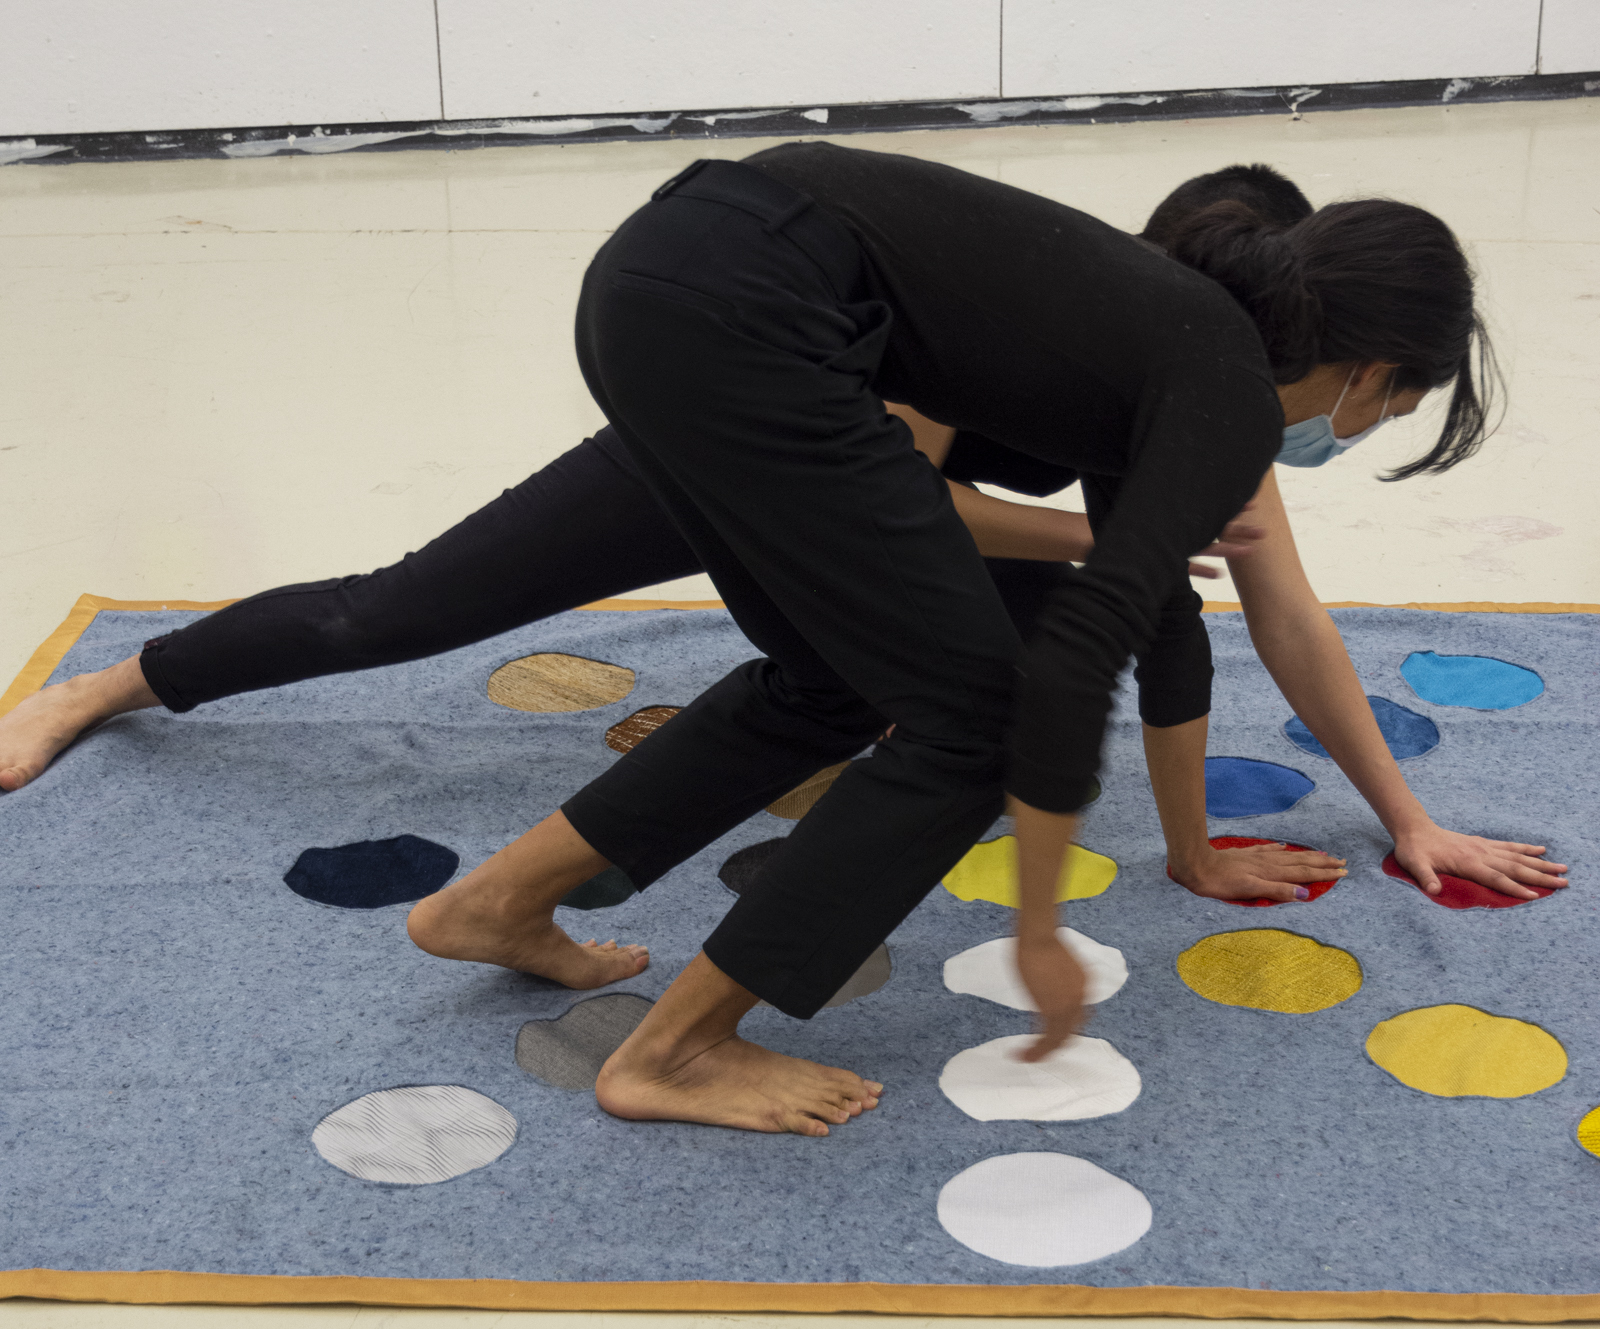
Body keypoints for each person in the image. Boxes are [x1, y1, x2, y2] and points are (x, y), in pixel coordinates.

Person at [0, 163, 1557, 928]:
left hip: (797, 440)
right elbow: (900, 489)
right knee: (404, 610)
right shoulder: (1051, 339)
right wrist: (1088, 539)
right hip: (735, 434)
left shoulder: (1213, 397)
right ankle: (108, 688)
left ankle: (555, 886)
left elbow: (1269, 612)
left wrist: (1401, 816)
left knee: (1104, 613)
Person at [387, 140, 1559, 1138]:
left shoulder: (1166, 337)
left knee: (825, 685)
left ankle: (492, 905)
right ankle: (674, 1053)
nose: (1362, 433)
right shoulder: (1222, 388)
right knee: (976, 722)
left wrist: (1380, 820)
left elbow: (1176, 621)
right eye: (1395, 412)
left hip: (657, 272)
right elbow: (1093, 645)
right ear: (1370, 373)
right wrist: (1043, 925)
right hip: (749, 316)